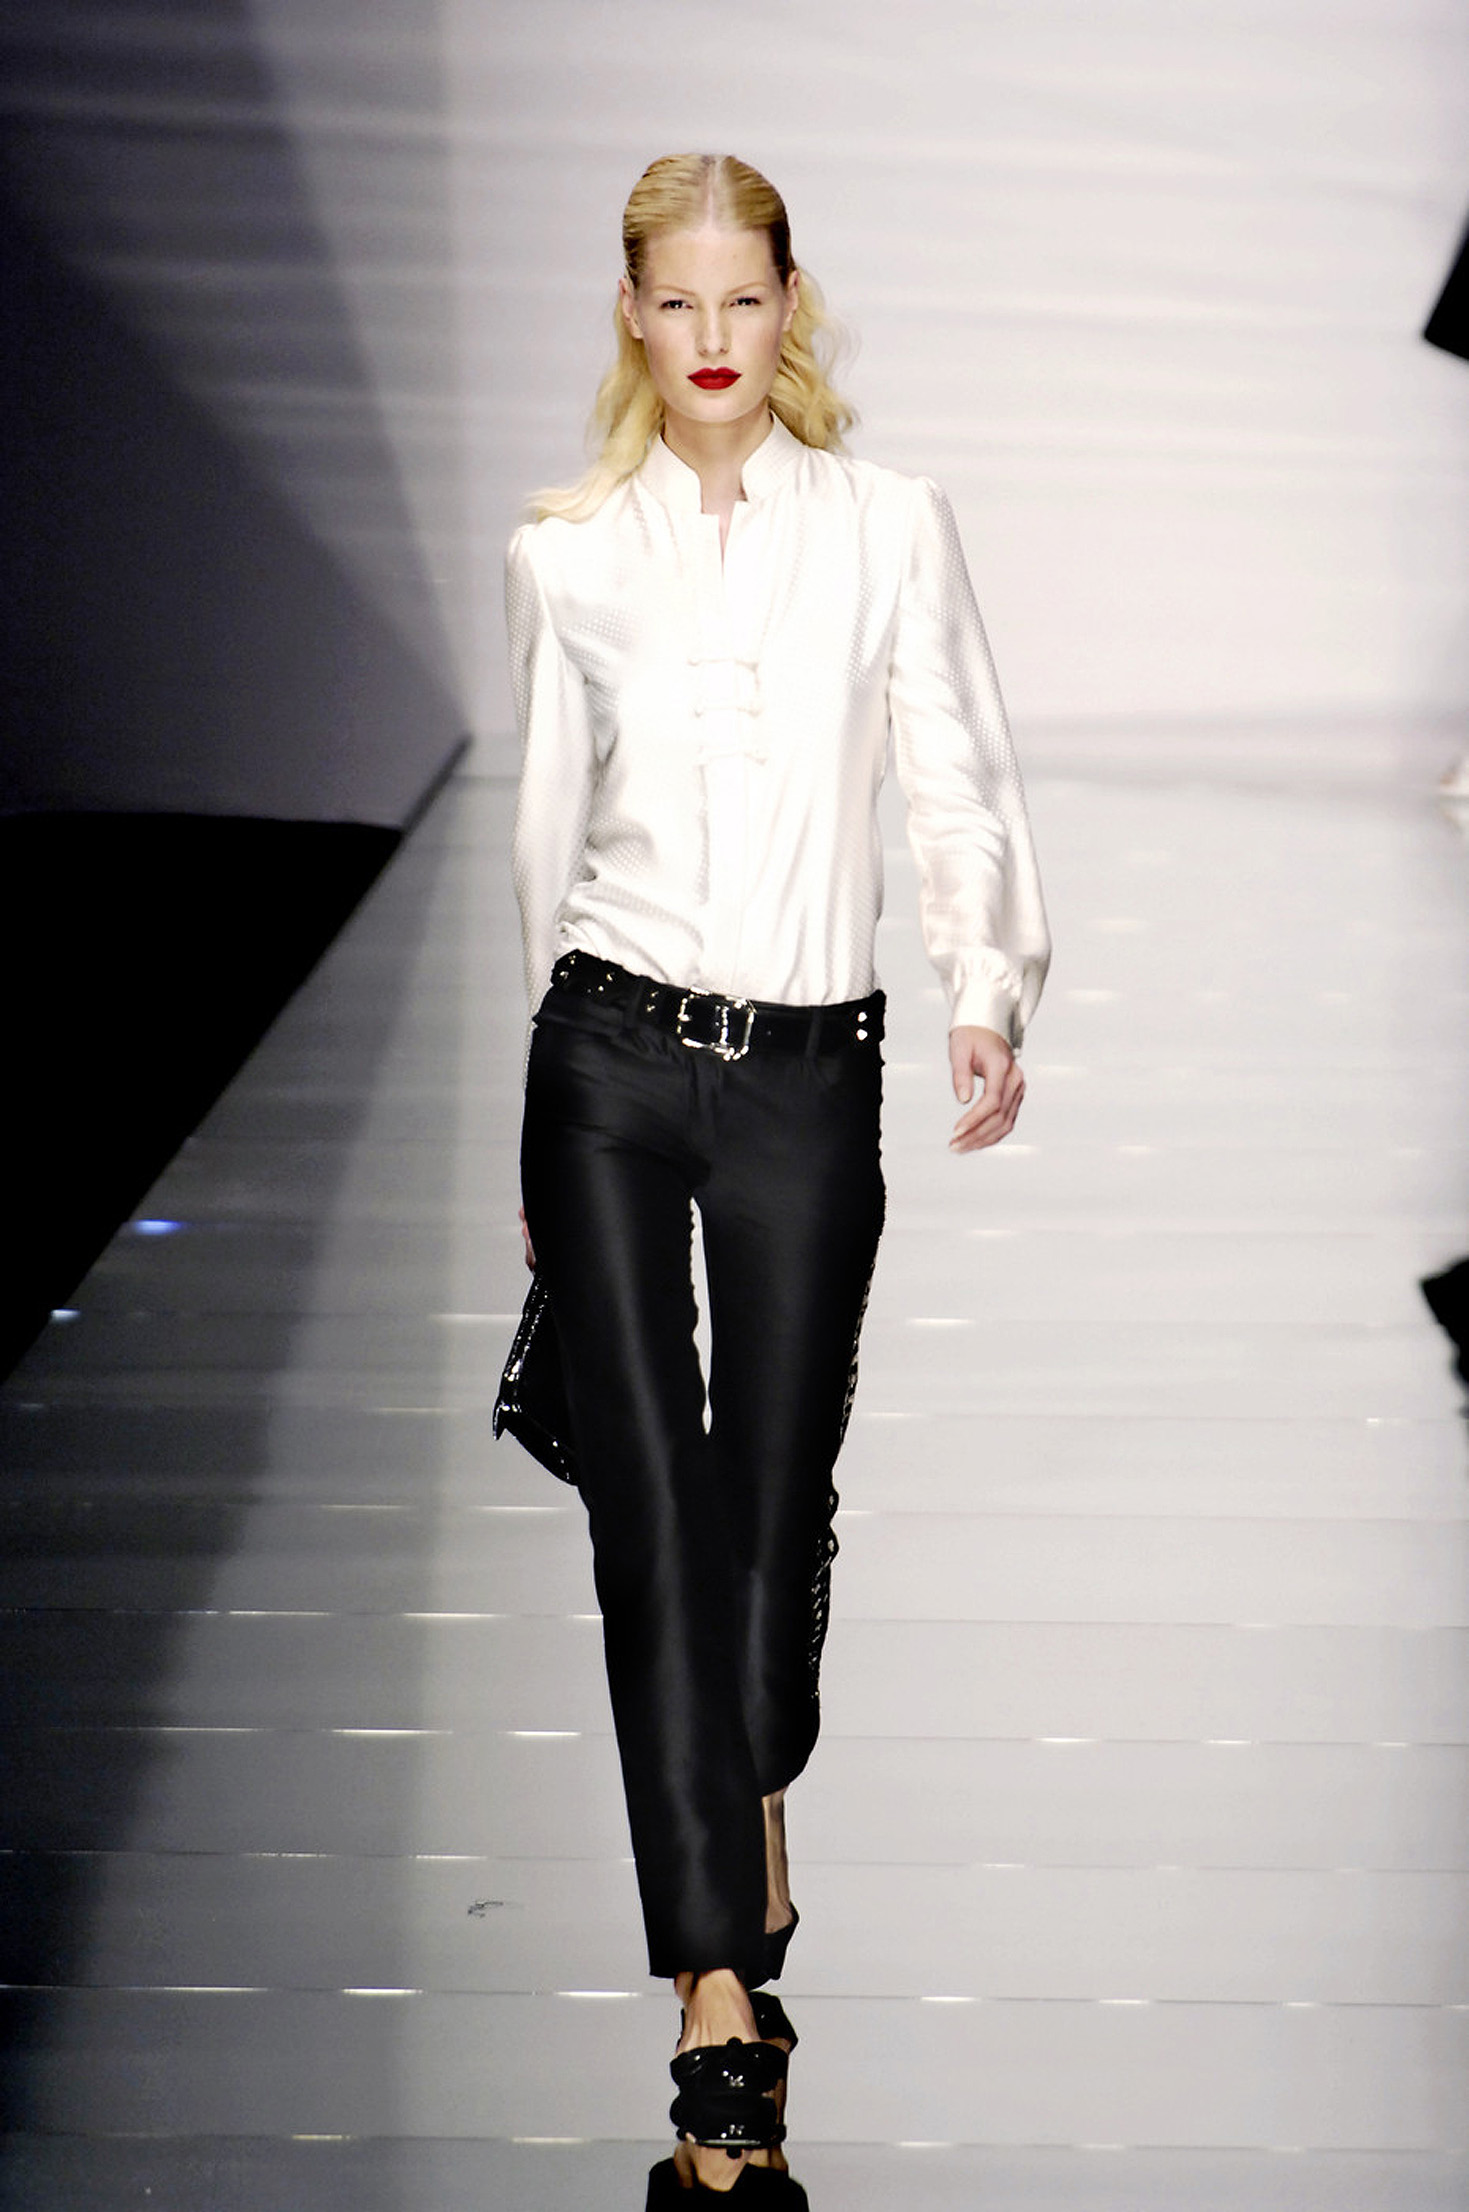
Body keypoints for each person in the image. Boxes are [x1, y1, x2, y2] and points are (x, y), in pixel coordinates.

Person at [506, 151, 1049, 2155]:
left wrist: (986, 982)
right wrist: (538, 1129)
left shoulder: (889, 527)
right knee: (649, 1512)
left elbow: (956, 769)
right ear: (631, 316)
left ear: (789, 303)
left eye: (745, 300)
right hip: (609, 1056)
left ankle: (752, 1779)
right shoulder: (565, 552)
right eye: (678, 303)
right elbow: (544, 840)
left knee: (772, 1494)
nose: (714, 339)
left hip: (813, 1071)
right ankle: (712, 1982)